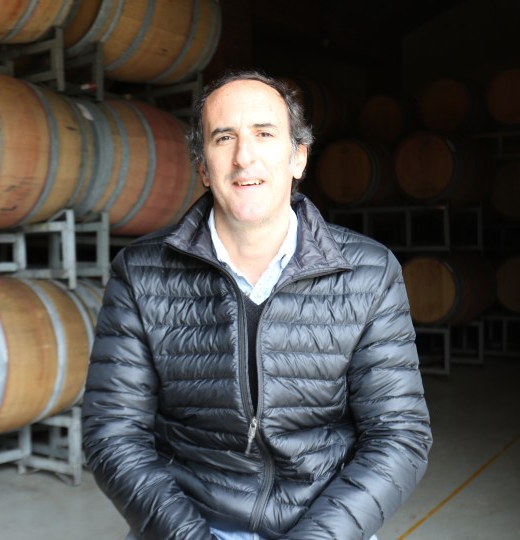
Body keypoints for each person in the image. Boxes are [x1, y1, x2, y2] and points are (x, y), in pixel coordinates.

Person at [81, 69, 432, 540]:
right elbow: (113, 434)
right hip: (188, 524)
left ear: (298, 157)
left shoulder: (367, 271)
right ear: (204, 167)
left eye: (264, 134)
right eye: (223, 138)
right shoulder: (142, 272)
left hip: (323, 524)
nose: (244, 157)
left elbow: (399, 435)